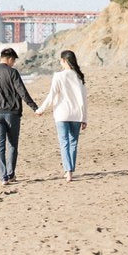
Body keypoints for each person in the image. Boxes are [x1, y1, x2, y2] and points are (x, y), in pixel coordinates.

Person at [0, 47, 38, 186]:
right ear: (9, 59)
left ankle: (3, 177)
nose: (13, 64)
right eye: (13, 61)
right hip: (12, 114)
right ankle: (10, 174)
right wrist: (34, 107)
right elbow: (22, 92)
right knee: (12, 145)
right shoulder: (13, 72)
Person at [35, 49, 88, 182]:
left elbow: (51, 95)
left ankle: (68, 171)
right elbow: (83, 99)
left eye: (61, 60)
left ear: (63, 60)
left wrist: (40, 109)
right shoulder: (79, 77)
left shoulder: (58, 76)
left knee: (64, 143)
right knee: (73, 143)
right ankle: (70, 171)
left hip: (62, 114)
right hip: (76, 114)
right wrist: (84, 118)